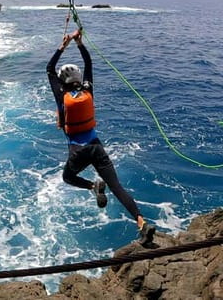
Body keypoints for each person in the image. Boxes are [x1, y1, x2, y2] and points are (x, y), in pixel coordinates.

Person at [47, 29, 156, 245]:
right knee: (117, 187)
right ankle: (142, 223)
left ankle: (92, 187)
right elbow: (88, 63)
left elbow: (49, 69)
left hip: (77, 152)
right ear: (79, 79)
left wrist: (64, 45)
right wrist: (79, 43)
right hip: (97, 147)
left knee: (68, 177)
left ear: (63, 82)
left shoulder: (62, 96)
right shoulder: (88, 91)